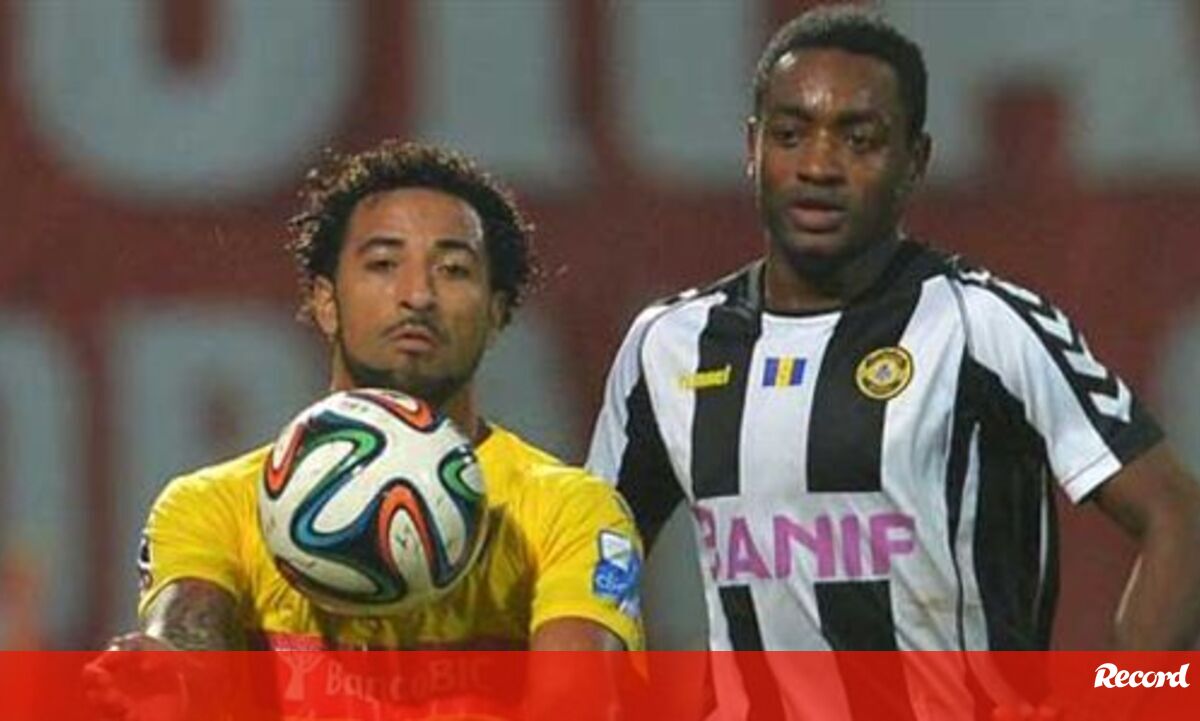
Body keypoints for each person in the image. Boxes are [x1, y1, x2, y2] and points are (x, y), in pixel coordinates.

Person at [587, 4, 1200, 718]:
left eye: (861, 139)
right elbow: (592, 560)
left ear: (915, 161)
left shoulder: (982, 325)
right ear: (753, 147)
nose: (819, 166)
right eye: (790, 135)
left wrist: (1118, 700)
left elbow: (1178, 518)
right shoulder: (669, 345)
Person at [92, 140, 642, 717]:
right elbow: (188, 641)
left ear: (498, 312)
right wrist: (171, 679)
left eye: (453, 270)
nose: (418, 295)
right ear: (325, 301)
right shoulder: (213, 506)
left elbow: (578, 704)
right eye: (383, 264)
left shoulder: (567, 512)